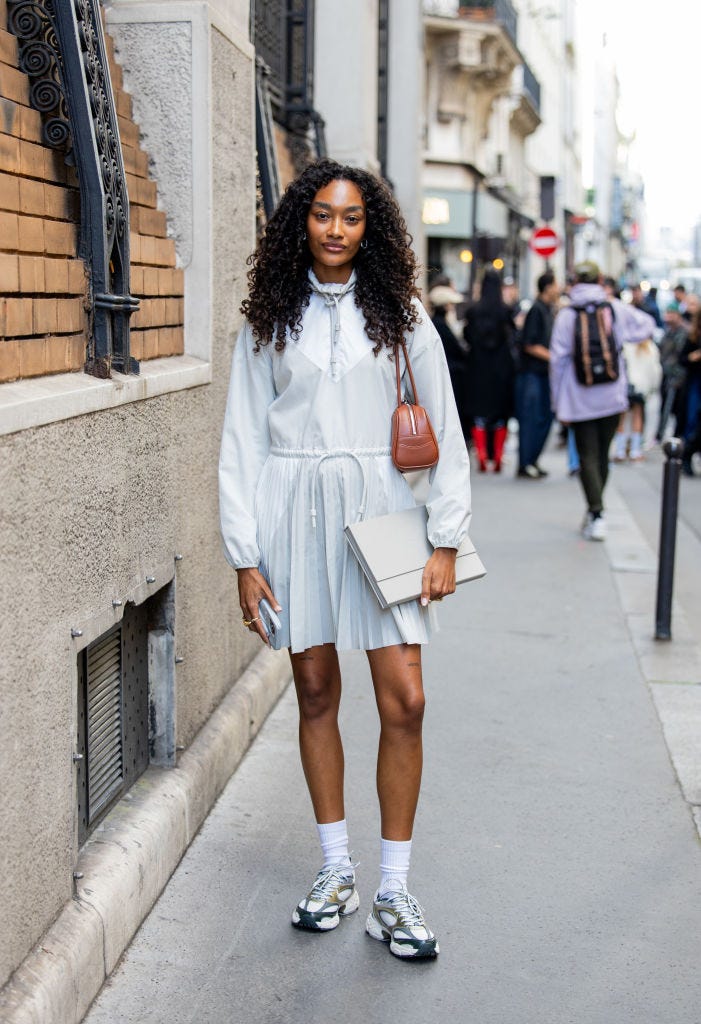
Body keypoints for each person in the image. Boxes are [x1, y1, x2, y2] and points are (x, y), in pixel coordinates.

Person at [219, 158, 471, 960]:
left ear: (372, 227)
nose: (335, 229)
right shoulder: (268, 320)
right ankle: (336, 869)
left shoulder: (400, 313)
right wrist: (244, 553)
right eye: (323, 215)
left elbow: (444, 426)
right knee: (316, 689)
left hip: (388, 512)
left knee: (406, 699)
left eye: (351, 216)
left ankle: (393, 886)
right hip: (295, 511)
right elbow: (243, 439)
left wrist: (445, 537)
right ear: (303, 221)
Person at [549, 260, 655, 540]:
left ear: (575, 283)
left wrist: (558, 401)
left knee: (587, 456)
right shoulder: (614, 309)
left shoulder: (567, 315)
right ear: (599, 281)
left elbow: (558, 361)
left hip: (579, 397)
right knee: (603, 454)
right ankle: (596, 511)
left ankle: (596, 512)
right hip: (612, 395)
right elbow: (647, 325)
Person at [463, 269, 515, 472]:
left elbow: (467, 337)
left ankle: (482, 454)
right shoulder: (505, 311)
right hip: (501, 368)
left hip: (478, 368)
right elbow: (512, 337)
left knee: (479, 414)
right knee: (500, 414)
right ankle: (499, 455)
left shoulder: (473, 311)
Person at [514, 271, 560, 478]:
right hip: (532, 374)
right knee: (532, 418)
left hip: (541, 374)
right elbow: (529, 345)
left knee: (543, 418)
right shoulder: (536, 310)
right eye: (555, 284)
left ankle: (531, 460)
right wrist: (554, 358)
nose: (558, 289)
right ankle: (526, 463)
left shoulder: (547, 310)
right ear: (548, 287)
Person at [428, 284, 470, 441]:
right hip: (452, 374)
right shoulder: (439, 324)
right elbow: (455, 349)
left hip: (451, 372)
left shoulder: (438, 323)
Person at [613, 339, 662, 461]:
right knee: (637, 417)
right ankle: (635, 451)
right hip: (641, 388)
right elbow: (656, 371)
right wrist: (653, 387)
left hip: (625, 386)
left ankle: (620, 450)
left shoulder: (625, 344)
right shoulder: (650, 347)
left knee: (622, 418)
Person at [656, 302, 688, 441]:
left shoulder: (684, 332)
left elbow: (679, 355)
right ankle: (661, 434)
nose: (668, 316)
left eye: (671, 313)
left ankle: (670, 434)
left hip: (677, 375)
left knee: (673, 407)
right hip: (666, 373)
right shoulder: (668, 331)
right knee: (665, 405)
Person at [679, 307, 701, 475]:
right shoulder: (693, 336)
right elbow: (682, 359)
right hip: (695, 383)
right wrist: (693, 357)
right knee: (693, 421)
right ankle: (686, 455)